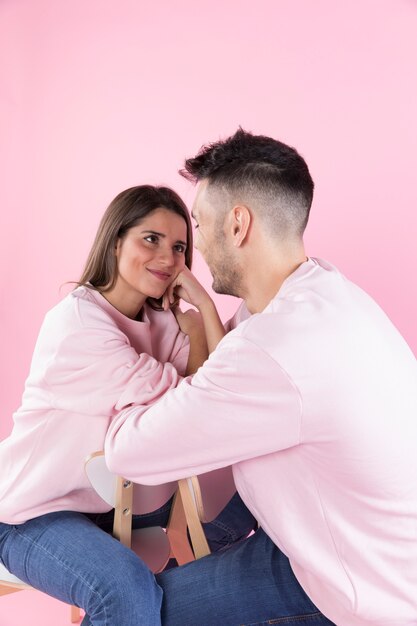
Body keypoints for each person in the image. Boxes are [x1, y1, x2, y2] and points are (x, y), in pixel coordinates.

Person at [105, 130, 417, 626]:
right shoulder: (324, 291)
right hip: (330, 542)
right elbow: (231, 361)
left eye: (200, 227)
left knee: (134, 611)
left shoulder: (276, 347)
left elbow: (129, 452)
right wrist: (205, 307)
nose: (194, 250)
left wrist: (124, 368)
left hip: (362, 592)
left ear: (237, 224)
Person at [0, 184, 255, 626]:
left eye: (178, 247)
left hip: (115, 501)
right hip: (34, 511)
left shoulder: (160, 321)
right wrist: (199, 332)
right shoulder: (77, 324)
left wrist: (205, 315)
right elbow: (190, 404)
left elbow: (212, 393)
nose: (167, 258)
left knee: (259, 487)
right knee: (125, 590)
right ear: (116, 240)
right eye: (150, 239)